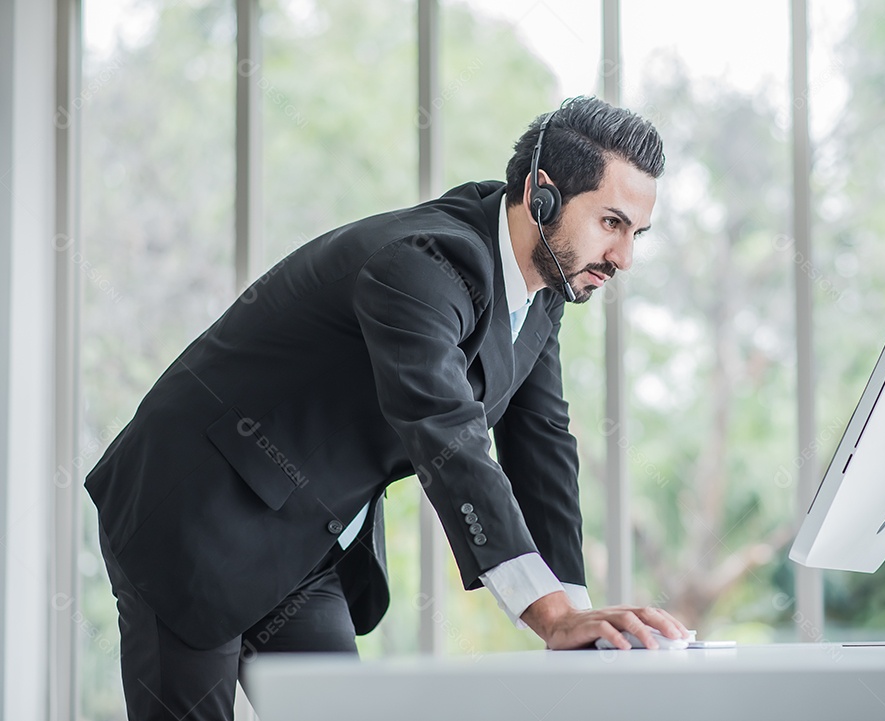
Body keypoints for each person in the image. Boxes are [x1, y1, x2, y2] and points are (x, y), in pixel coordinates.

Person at [86, 95, 689, 721]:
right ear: (542, 194)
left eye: (637, 234)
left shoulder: (542, 288)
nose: (624, 258)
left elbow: (543, 445)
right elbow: (446, 434)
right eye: (611, 224)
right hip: (192, 517)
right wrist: (551, 616)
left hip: (302, 542)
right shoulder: (425, 263)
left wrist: (576, 610)